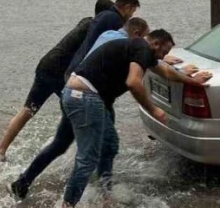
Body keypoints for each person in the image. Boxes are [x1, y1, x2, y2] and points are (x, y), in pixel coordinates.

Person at [8, 0, 141, 199]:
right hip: (90, 94)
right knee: (108, 144)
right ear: (127, 7)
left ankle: (23, 181)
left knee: (60, 144)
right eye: (132, 11)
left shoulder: (100, 21)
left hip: (72, 86)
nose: (131, 16)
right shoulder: (114, 21)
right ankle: (103, 194)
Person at [59, 30, 212, 207]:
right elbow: (133, 82)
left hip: (87, 96)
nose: (164, 56)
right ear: (155, 44)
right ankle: (68, 204)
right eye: (164, 51)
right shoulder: (142, 47)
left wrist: (192, 81)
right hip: (84, 96)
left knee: (109, 145)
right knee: (89, 157)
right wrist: (153, 109)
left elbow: (167, 72)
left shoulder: (140, 50)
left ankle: (104, 195)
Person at [0, 0, 115, 161]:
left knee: (28, 110)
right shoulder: (93, 30)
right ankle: (83, 154)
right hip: (59, 73)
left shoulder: (86, 22)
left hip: (46, 65)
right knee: (81, 110)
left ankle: (0, 151)